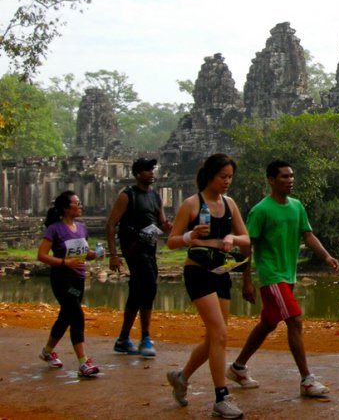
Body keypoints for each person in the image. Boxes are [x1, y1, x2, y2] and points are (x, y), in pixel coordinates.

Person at [225, 159, 339, 398]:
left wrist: (327, 256)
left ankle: (237, 367)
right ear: (271, 180)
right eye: (284, 177)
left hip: (289, 274)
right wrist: (247, 280)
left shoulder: (297, 206)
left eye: (291, 176)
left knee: (268, 323)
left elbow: (307, 236)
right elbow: (248, 246)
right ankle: (307, 380)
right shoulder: (261, 210)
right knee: (295, 320)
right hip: (271, 275)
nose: (290, 181)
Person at [165, 153, 250, 419]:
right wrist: (190, 236)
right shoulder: (192, 204)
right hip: (198, 272)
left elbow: (247, 239)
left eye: (230, 177)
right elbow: (171, 241)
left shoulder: (230, 204)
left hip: (221, 270)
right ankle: (221, 398)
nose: (227, 182)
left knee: (216, 337)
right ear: (210, 176)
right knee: (220, 334)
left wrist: (231, 237)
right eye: (222, 177)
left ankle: (182, 376)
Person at [105, 157, 171, 357]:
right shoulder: (127, 195)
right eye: (146, 170)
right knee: (149, 286)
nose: (151, 172)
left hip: (150, 247)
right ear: (137, 174)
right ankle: (145, 337)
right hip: (133, 248)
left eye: (152, 169)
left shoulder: (156, 197)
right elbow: (110, 224)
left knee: (137, 291)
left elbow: (161, 223)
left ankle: (124, 338)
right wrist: (113, 255)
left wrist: (174, 228)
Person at [36, 191, 101, 377]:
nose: (80, 206)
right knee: (77, 316)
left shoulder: (82, 228)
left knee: (65, 317)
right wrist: (65, 262)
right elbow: (41, 255)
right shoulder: (54, 229)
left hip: (78, 278)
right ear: (66, 208)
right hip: (62, 278)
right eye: (77, 203)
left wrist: (94, 255)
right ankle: (83, 363)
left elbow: (84, 251)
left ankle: (47, 352)